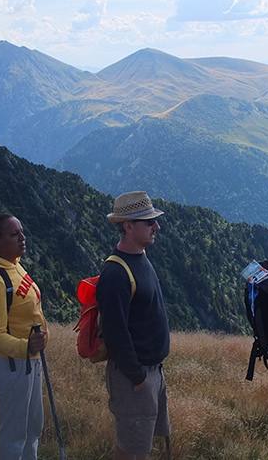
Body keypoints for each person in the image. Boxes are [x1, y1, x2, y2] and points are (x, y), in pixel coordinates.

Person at [96, 191, 171, 460]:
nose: (157, 227)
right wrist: (138, 377)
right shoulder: (115, 273)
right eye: (149, 222)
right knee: (130, 448)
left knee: (139, 446)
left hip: (151, 373)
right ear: (128, 226)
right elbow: (114, 333)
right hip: (134, 378)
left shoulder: (139, 258)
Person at [0, 213, 48, 460]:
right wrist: (27, 346)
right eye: (14, 234)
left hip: (29, 361)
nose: (22, 238)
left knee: (33, 428)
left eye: (21, 231)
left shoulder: (14, 265)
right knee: (15, 435)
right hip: (11, 364)